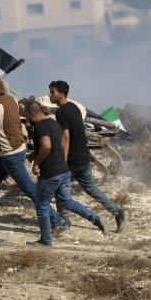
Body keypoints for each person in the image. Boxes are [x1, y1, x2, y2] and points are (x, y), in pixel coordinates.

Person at [0, 75, 64, 233]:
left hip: (10, 155)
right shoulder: (11, 99)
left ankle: (56, 221)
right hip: (9, 152)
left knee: (30, 190)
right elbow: (24, 115)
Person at [25, 101, 109, 246]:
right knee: (67, 202)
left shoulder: (39, 127)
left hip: (50, 173)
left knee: (42, 206)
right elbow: (54, 146)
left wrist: (37, 163)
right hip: (64, 170)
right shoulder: (53, 123)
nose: (26, 118)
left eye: (26, 115)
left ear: (32, 114)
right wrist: (35, 154)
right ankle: (95, 219)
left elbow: (46, 145)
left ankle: (45, 241)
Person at [48, 80, 127, 234]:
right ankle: (118, 212)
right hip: (84, 156)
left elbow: (66, 136)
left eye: (53, 92)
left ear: (61, 94)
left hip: (72, 160)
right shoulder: (74, 108)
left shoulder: (61, 112)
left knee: (58, 188)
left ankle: (64, 222)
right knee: (91, 188)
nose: (50, 95)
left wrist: (62, 161)